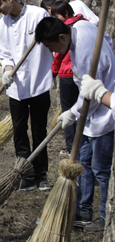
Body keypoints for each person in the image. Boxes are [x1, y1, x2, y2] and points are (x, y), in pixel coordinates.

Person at [35, 17, 115, 232]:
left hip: (104, 115)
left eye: (52, 47)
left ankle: (106, 218)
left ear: (62, 37)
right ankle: (84, 210)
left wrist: (74, 111)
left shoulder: (88, 49)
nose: (54, 52)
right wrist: (76, 112)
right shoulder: (78, 29)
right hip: (89, 115)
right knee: (84, 164)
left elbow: (93, 92)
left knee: (101, 170)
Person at [0, 0, 53, 192]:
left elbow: (50, 40)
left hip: (39, 82)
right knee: (19, 130)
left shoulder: (38, 15)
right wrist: (7, 70)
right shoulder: (2, 25)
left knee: (39, 130)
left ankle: (41, 175)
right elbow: (5, 53)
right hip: (16, 87)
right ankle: (25, 174)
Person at [47, 0, 87, 156]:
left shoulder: (64, 32)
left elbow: (58, 57)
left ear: (64, 14)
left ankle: (72, 149)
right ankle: (83, 146)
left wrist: (52, 74)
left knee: (69, 112)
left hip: (67, 75)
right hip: (82, 76)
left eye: (57, 17)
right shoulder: (84, 24)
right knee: (82, 111)